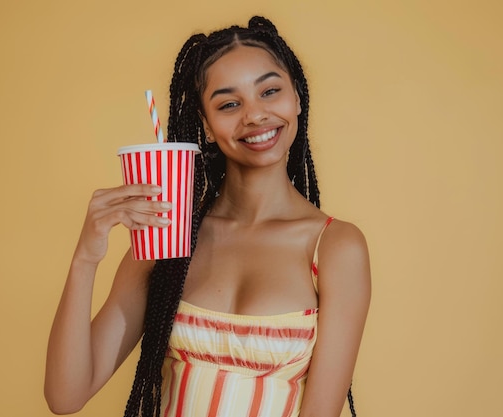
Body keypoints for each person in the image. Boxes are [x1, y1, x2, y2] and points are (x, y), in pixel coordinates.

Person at [44, 16, 371, 417]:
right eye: (229, 104)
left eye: (270, 91)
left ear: (297, 98)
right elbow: (66, 396)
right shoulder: (169, 237)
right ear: (207, 125)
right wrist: (85, 258)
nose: (254, 115)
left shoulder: (335, 246)